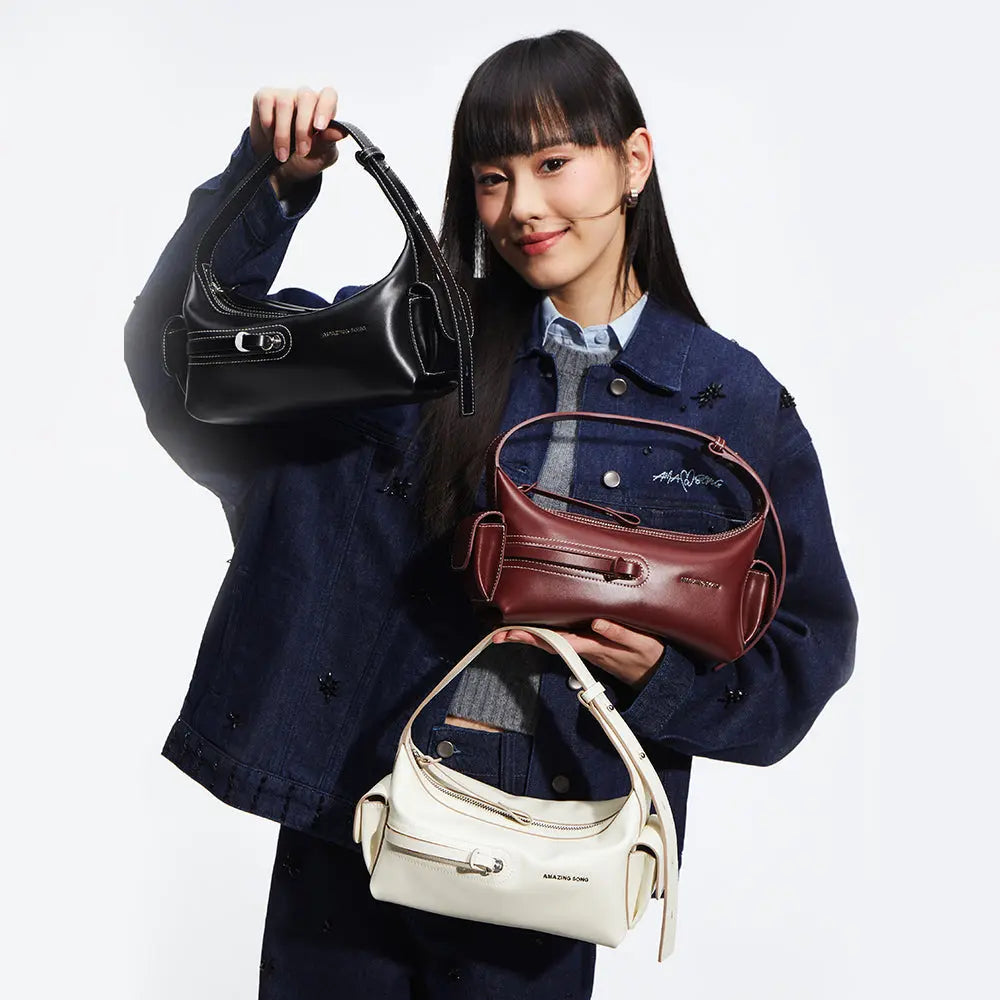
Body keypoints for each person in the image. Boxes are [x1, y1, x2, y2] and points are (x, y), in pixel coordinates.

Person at [124, 28, 858, 1000]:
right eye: (491, 176)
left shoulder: (727, 404)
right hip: (355, 843)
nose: (523, 207)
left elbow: (806, 643)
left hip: (543, 871)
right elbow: (187, 373)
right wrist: (266, 188)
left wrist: (665, 683)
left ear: (632, 161)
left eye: (554, 163)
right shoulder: (406, 344)